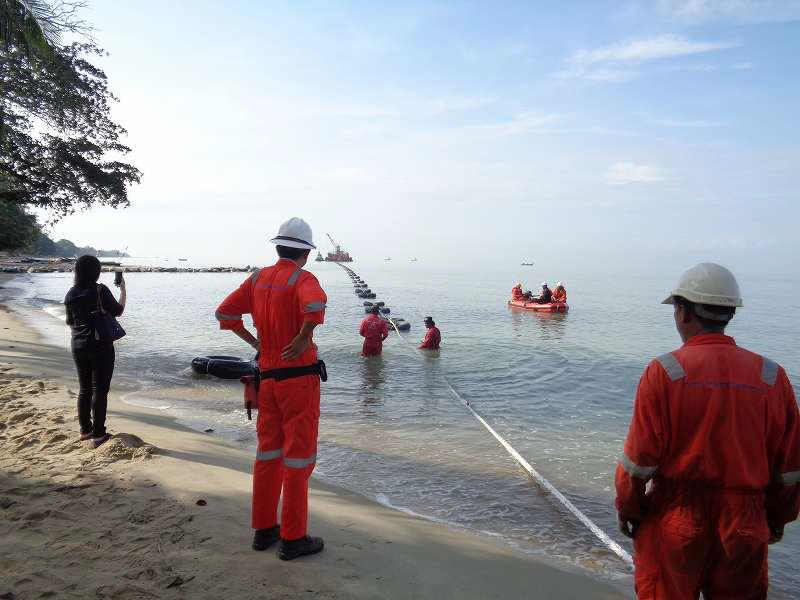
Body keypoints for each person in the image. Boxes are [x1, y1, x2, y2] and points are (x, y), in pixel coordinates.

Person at [615, 263, 799, 599]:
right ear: (729, 313)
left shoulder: (664, 372)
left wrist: (630, 509)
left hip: (678, 520)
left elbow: (637, 463)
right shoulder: (772, 376)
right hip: (745, 524)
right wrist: (774, 519)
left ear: (683, 312)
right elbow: (789, 470)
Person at [215, 217, 328, 561]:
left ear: (278, 247)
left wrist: (255, 341)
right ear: (305, 254)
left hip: (267, 381)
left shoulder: (257, 278)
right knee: (298, 458)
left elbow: (224, 313)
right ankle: (294, 537)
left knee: (268, 454)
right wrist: (301, 337)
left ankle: (264, 530)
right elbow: (316, 305)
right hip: (298, 381)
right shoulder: (302, 278)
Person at [64, 255, 126, 448]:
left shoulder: (71, 293)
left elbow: (70, 322)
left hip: (78, 345)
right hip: (100, 346)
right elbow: (118, 310)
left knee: (85, 389)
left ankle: (85, 430)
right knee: (100, 390)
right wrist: (123, 289)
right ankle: (99, 435)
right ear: (96, 271)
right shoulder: (100, 290)